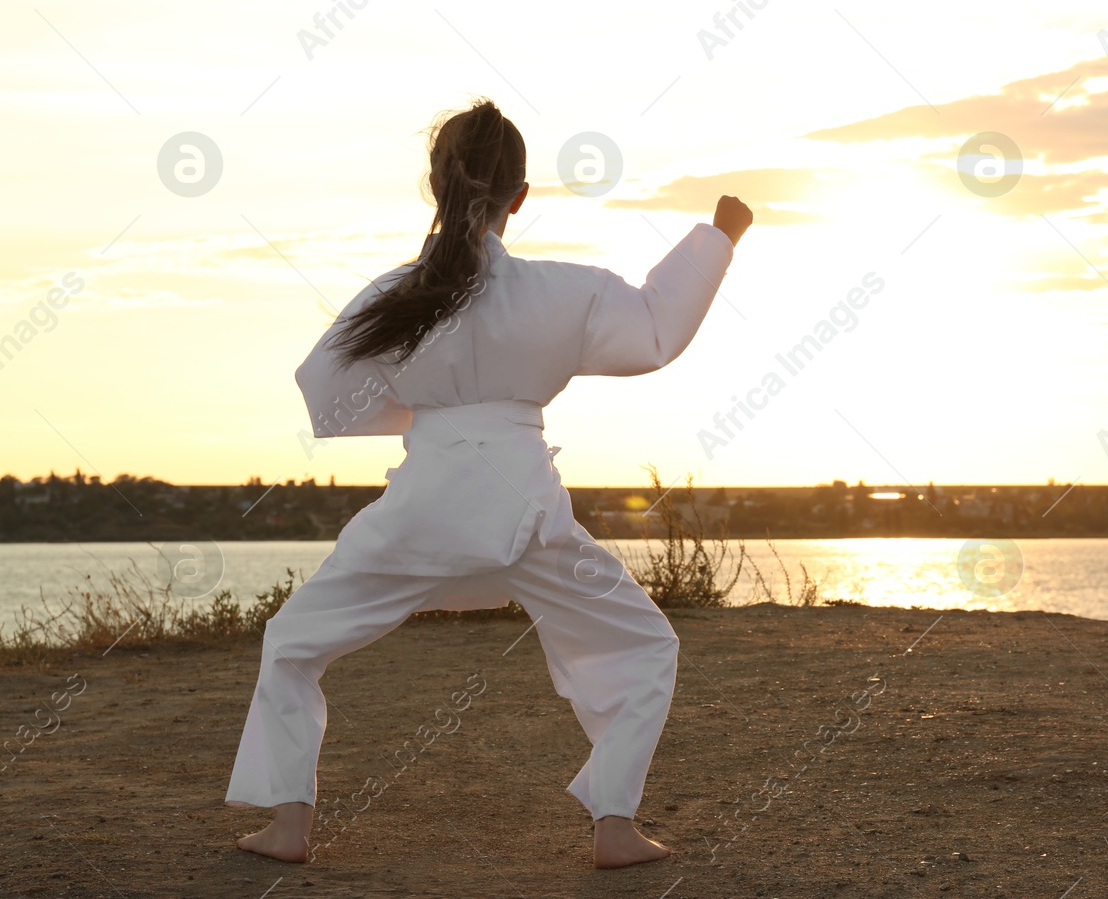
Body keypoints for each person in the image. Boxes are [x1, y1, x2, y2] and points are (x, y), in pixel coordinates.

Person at [225, 98, 752, 868]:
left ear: (434, 185)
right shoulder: (563, 291)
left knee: (293, 641)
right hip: (525, 516)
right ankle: (613, 824)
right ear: (522, 196)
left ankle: (290, 823)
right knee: (644, 645)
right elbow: (654, 328)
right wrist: (717, 238)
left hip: (418, 513)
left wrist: (427, 411)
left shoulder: (391, 298)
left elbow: (325, 387)